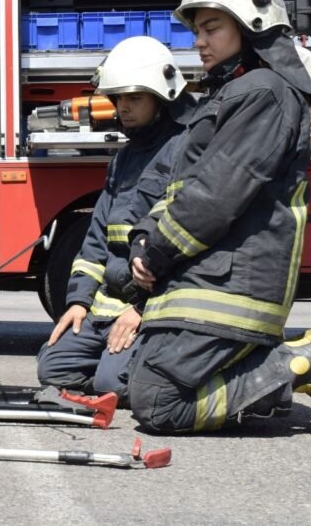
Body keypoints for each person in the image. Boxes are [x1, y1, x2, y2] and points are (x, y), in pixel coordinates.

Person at [125, 0, 311, 437]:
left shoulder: (265, 93)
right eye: (197, 31)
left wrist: (158, 252)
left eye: (211, 28)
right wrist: (143, 239)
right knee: (139, 383)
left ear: (251, 23)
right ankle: (272, 367)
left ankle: (300, 362)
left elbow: (215, 196)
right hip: (206, 277)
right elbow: (179, 186)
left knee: (156, 402)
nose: (199, 42)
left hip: (233, 286)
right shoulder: (233, 94)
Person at [37, 36, 195, 406]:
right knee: (53, 369)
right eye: (118, 98)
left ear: (162, 96)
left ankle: (138, 369)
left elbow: (188, 247)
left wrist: (142, 309)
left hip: (151, 308)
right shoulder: (122, 161)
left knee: (115, 382)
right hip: (107, 309)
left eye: (134, 98)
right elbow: (94, 243)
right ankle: (125, 365)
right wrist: (77, 302)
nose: (123, 108)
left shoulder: (186, 152)